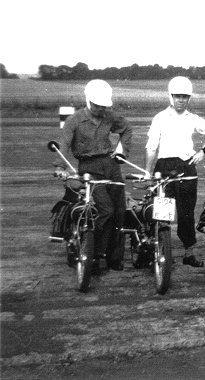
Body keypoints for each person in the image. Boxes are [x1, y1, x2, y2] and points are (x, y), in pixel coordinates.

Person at [54, 79, 132, 271]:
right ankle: (93, 253)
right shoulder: (75, 120)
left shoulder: (109, 116)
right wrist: (60, 166)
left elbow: (127, 129)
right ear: (89, 101)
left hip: (111, 165)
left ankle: (115, 258)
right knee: (106, 210)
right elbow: (64, 144)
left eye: (104, 106)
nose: (101, 110)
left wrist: (122, 152)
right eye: (98, 106)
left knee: (120, 211)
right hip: (89, 167)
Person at [144, 76, 205, 268]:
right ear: (171, 96)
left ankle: (189, 253)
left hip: (187, 167)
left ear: (189, 98)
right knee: (162, 212)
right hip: (165, 167)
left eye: (185, 97)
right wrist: (147, 172)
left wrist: (203, 150)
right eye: (177, 96)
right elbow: (152, 147)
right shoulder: (160, 118)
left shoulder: (192, 118)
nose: (181, 100)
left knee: (186, 213)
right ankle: (159, 253)